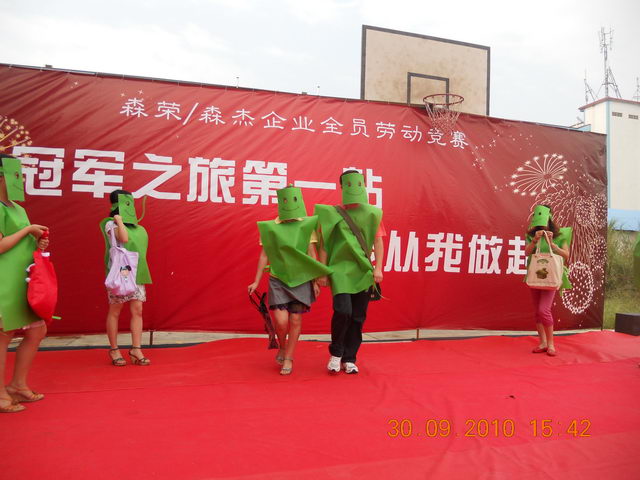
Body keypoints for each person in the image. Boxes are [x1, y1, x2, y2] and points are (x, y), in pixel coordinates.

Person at [248, 186, 331, 375]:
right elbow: (264, 255)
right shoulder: (271, 228)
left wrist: (315, 280)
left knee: (295, 319)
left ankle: (288, 357)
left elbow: (311, 255)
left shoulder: (306, 226)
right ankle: (283, 346)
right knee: (281, 321)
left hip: (301, 279)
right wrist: (256, 281)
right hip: (278, 279)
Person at [315, 170, 385, 374]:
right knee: (343, 311)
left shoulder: (373, 214)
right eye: (349, 184)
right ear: (342, 187)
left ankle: (350, 358)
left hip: (363, 270)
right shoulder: (332, 214)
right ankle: (336, 354)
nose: (354, 188)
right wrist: (322, 271)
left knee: (357, 316)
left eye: (358, 184)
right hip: (339, 270)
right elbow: (324, 245)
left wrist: (378, 267)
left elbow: (378, 241)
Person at [0, 155, 49, 413]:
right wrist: (27, 231)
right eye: (16, 174)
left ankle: (17, 385)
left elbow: (22, 242)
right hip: (4, 281)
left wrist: (37, 241)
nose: (20, 179)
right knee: (3, 335)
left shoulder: (18, 208)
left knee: (36, 331)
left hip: (24, 280)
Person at [100, 189, 152, 366]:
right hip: (120, 274)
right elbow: (123, 237)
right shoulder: (110, 224)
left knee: (137, 310)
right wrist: (119, 221)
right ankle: (114, 349)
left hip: (137, 273)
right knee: (115, 310)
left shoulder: (139, 228)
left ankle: (136, 349)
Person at [524, 205, 571, 357]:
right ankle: (543, 342)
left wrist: (552, 245)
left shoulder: (560, 234)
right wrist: (534, 240)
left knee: (544, 310)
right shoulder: (532, 234)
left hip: (551, 277)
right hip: (535, 276)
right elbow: (526, 253)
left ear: (550, 217)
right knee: (538, 312)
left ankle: (551, 344)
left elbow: (566, 255)